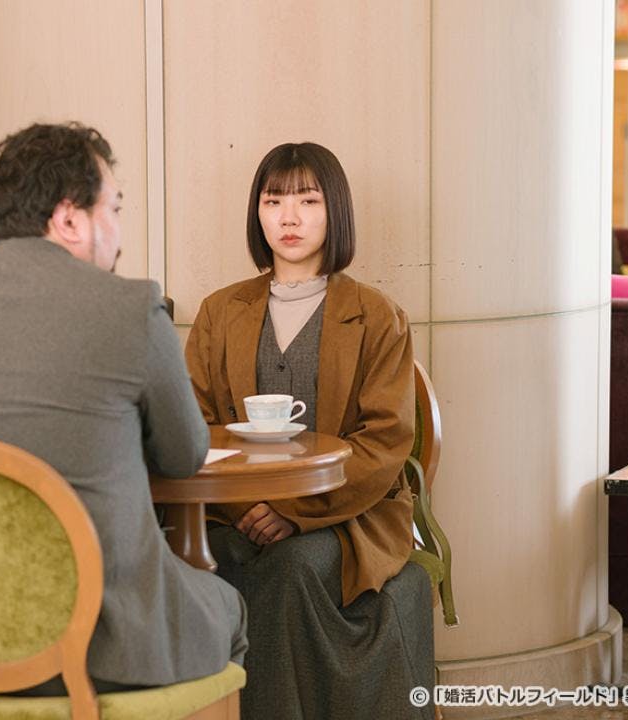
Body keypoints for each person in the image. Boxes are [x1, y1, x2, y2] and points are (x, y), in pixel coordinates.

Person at [0, 122, 247, 697]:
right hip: (103, 646)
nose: (118, 231)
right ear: (70, 218)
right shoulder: (131, 309)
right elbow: (184, 454)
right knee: (228, 606)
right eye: (113, 207)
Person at [185, 142, 433, 719]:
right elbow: (194, 425)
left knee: (288, 569)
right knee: (199, 560)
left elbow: (385, 441)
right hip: (234, 511)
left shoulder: (377, 316)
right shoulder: (219, 312)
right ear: (257, 213)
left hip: (350, 517)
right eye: (273, 201)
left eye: (308, 200)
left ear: (334, 210)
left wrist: (294, 512)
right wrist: (245, 507)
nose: (289, 217)